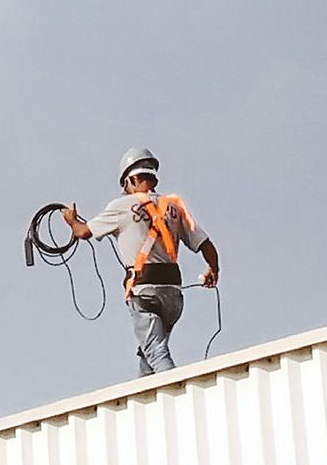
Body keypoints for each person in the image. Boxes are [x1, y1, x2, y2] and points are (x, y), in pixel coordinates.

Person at [61, 147, 219, 375]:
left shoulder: (122, 206)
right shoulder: (173, 207)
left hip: (145, 291)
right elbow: (206, 245)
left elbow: (83, 232)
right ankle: (145, 404)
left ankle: (177, 395)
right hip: (173, 295)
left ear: (131, 179)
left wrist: (71, 220)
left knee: (156, 352)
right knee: (149, 354)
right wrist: (213, 270)